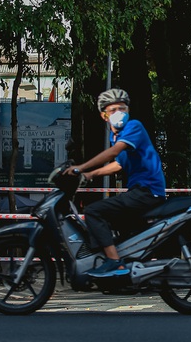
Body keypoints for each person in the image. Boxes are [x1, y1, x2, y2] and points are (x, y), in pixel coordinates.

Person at [67, 88, 166, 277]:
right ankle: (132, 266)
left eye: (122, 109)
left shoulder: (133, 127)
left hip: (146, 191)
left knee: (93, 211)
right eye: (113, 110)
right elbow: (118, 164)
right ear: (104, 116)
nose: (119, 113)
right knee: (118, 222)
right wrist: (90, 174)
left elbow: (113, 154)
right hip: (141, 192)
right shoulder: (118, 137)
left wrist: (81, 167)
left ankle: (114, 262)